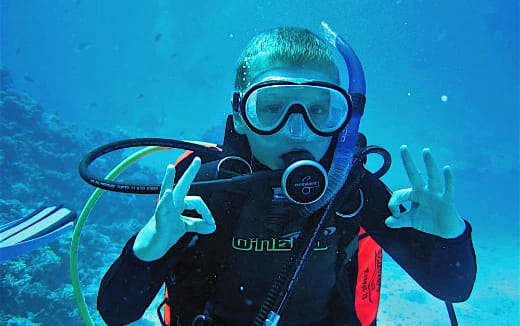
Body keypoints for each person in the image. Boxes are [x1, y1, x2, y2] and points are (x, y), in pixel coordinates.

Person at [97, 26, 476, 326]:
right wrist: (148, 248)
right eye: (272, 107)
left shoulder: (350, 189)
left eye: (319, 110)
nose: (298, 131)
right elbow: (116, 313)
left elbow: (452, 287)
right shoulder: (204, 190)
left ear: (342, 121)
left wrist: (450, 233)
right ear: (241, 115)